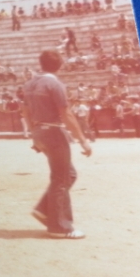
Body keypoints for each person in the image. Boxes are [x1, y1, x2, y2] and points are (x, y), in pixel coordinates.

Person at [21, 50, 92, 239]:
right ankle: (60, 227)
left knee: (68, 174)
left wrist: (34, 134)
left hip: (40, 131)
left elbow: (25, 111)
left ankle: (45, 209)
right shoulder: (55, 84)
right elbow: (66, 115)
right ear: (60, 65)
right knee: (62, 178)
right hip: (54, 132)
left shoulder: (29, 84)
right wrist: (83, 141)